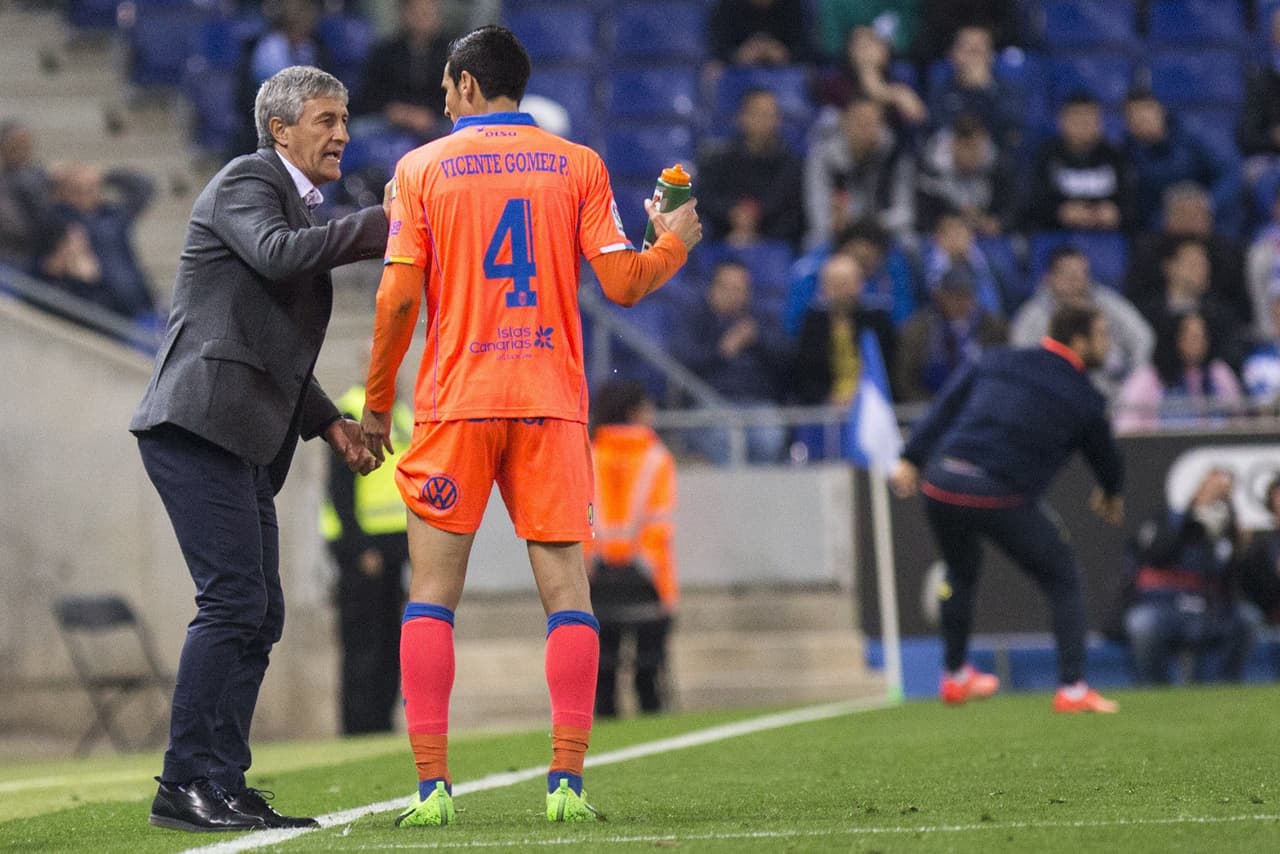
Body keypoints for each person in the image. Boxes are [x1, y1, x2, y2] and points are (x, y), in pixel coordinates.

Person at [357, 26, 701, 828]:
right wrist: (672, 246)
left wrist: (379, 404)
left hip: (454, 402)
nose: (443, 99)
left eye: (447, 86)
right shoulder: (578, 165)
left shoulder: (418, 170)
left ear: (469, 85)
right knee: (567, 595)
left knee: (433, 595)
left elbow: (397, 299)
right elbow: (621, 281)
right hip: (549, 400)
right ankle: (566, 786)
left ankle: (433, 791)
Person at [130, 65, 389, 832]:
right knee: (235, 600)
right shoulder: (247, 180)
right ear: (280, 129)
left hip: (240, 432)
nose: (341, 132)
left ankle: (221, 780)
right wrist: (387, 222)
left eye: (345, 119)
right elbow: (279, 255)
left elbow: (264, 338)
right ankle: (184, 782)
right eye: (326, 118)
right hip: (197, 424)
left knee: (261, 609)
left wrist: (326, 421)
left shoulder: (291, 201)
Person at [890, 305, 1126, 714]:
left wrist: (912, 457)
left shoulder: (996, 359)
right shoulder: (1084, 395)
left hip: (941, 483)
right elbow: (1105, 457)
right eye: (1103, 335)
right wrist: (1111, 492)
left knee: (960, 572)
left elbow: (946, 405)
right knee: (1063, 578)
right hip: (997, 492)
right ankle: (1072, 689)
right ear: (1080, 341)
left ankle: (955, 675)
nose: (1108, 345)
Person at [319, 378, 413, 735]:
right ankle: (358, 727)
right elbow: (339, 487)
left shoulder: (401, 413)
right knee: (362, 644)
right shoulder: (351, 410)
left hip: (393, 549)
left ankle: (382, 723)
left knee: (390, 643)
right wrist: (360, 546)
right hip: (362, 550)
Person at [583, 381, 678, 718]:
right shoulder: (657, 458)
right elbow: (659, 527)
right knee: (649, 673)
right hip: (646, 580)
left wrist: (588, 563)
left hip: (596, 577)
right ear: (634, 412)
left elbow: (582, 515)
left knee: (603, 676)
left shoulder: (588, 454)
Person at [1123, 467, 1262, 684]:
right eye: (1212, 487)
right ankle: (1156, 689)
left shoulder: (1225, 529)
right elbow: (1157, 555)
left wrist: (1237, 545)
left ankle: (1225, 685)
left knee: (1247, 619)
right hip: (1166, 605)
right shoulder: (1169, 518)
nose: (1216, 496)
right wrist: (1192, 517)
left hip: (1208, 608)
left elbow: (1235, 583)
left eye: (1224, 492)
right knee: (1142, 623)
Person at [675, 259, 790, 464]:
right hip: (710, 399)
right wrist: (722, 350)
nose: (733, 294)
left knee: (769, 437)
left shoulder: (761, 321)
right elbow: (683, 361)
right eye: (726, 288)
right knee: (724, 437)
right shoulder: (696, 320)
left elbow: (786, 358)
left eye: (739, 288)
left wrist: (759, 340)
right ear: (712, 290)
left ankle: (759, 494)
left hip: (756, 401)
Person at [1009, 246, 1153, 398]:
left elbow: (1143, 337)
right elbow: (1020, 358)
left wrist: (1133, 381)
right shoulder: (1033, 315)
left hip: (1111, 392)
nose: (1077, 281)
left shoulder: (1107, 303)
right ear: (1049, 277)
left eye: (1082, 274)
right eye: (1069, 275)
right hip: (1052, 395)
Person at [695, 88, 806, 248]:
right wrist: (732, 213)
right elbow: (704, 199)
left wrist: (756, 224)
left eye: (770, 114)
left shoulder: (791, 165)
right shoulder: (720, 159)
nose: (764, 120)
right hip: (723, 241)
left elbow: (794, 214)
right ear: (742, 117)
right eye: (758, 113)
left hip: (774, 245)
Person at [1114, 310, 1244, 432]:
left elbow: (1239, 421)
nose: (1200, 343)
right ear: (1175, 339)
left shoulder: (1219, 373)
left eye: (1203, 337)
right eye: (1193, 338)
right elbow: (1126, 425)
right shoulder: (1148, 378)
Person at [894, 266, 1006, 402]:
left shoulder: (993, 327)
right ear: (941, 296)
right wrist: (933, 408)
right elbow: (904, 380)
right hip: (927, 407)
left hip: (979, 405)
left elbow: (1002, 373)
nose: (961, 303)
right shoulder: (918, 329)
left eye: (967, 296)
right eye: (955, 297)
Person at [1027, 93, 1131, 233]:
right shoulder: (1046, 157)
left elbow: (1133, 204)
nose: (1083, 124)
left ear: (1100, 123)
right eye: (1077, 117)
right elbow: (1033, 203)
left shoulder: (1116, 157)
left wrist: (1117, 213)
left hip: (1108, 237)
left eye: (1089, 117)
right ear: (1062, 121)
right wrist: (1059, 213)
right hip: (1057, 236)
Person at [352, 0, 451, 145]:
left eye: (427, 13)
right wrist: (395, 111)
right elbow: (368, 96)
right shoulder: (384, 52)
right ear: (403, 14)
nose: (421, 18)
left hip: (435, 120)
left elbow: (457, 97)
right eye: (416, 12)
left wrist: (430, 114)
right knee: (356, 129)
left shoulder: (452, 54)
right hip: (390, 119)